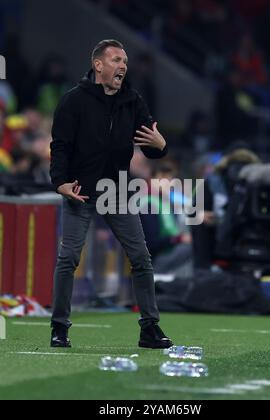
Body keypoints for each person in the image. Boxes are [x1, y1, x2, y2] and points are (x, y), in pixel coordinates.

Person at [49, 39, 173, 349]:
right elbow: (60, 146)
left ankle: (149, 329)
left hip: (117, 189)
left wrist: (162, 147)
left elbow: (151, 142)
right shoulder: (73, 101)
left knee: (141, 258)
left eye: (125, 62)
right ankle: (59, 327)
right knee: (68, 259)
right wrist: (60, 183)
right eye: (117, 60)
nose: (123, 67)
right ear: (98, 65)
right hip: (80, 189)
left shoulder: (132, 100)